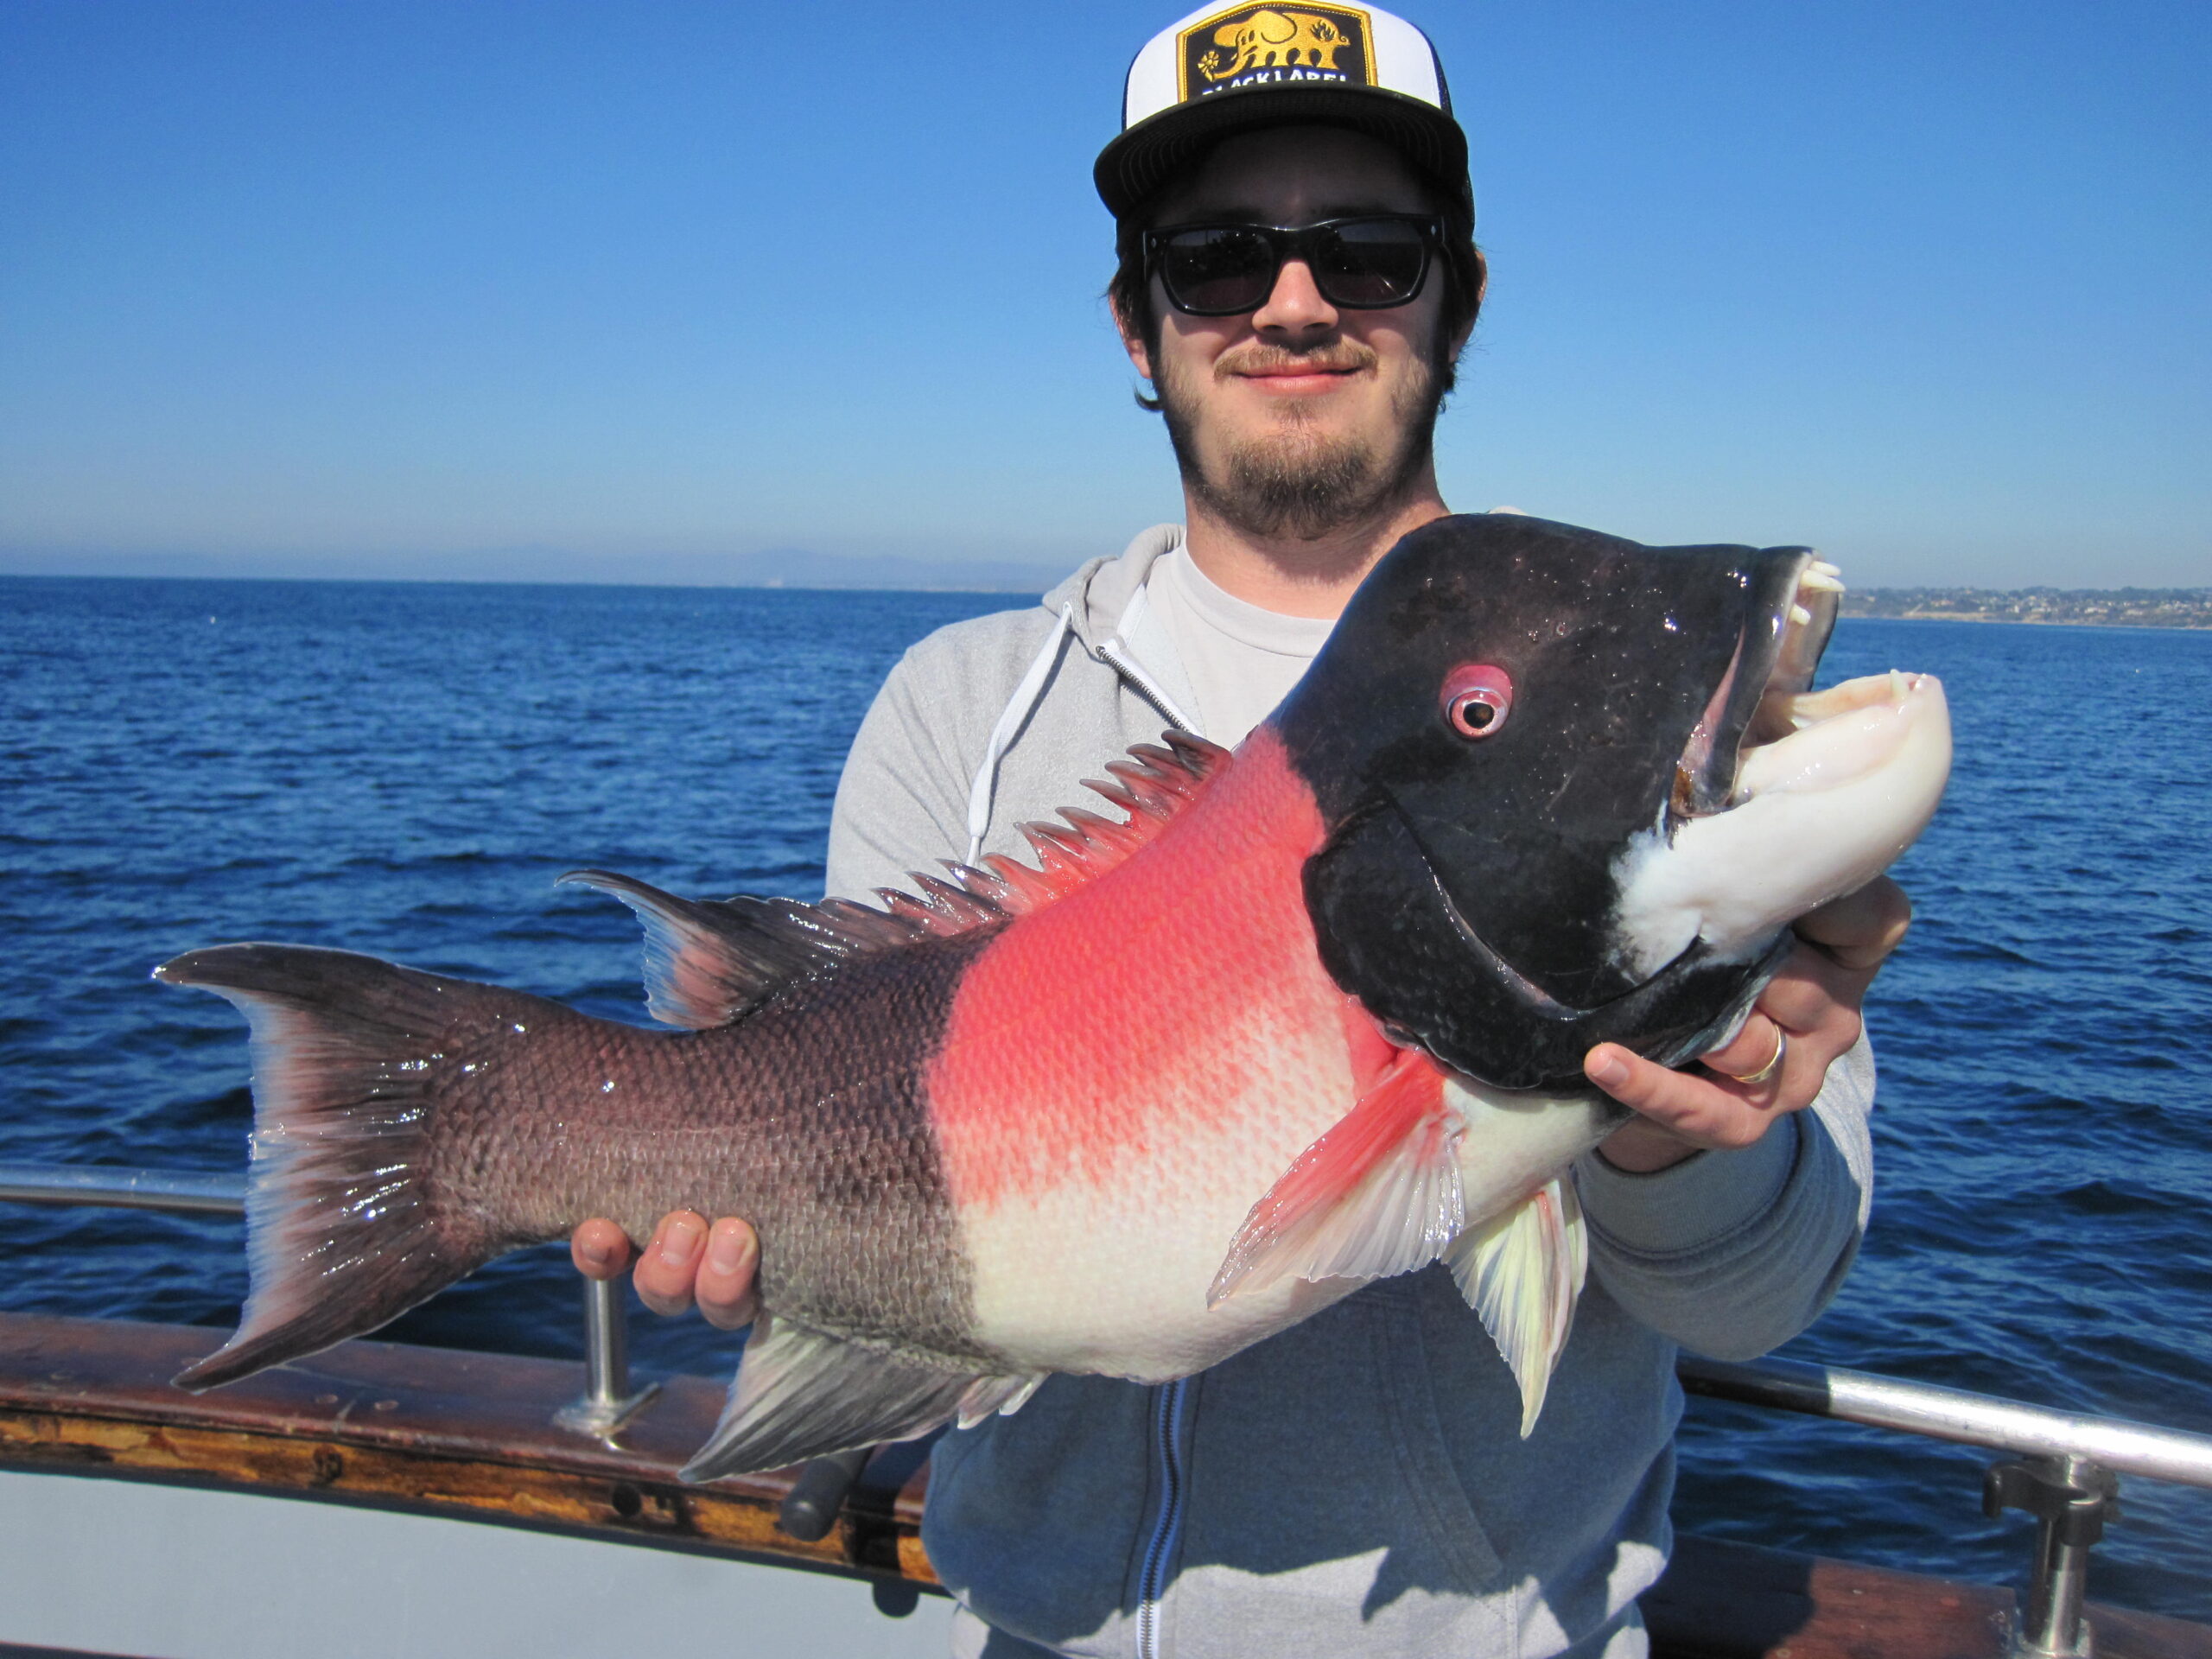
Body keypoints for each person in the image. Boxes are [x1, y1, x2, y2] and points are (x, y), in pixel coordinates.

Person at [572, 6, 1911, 1653]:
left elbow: (1762, 1302)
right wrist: (766, 1252)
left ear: (1458, 300)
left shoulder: (1625, 688)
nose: (1293, 303)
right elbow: (839, 1122)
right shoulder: (963, 701)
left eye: (1368, 252)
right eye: (1213, 261)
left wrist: (1662, 1125)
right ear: (1138, 328)